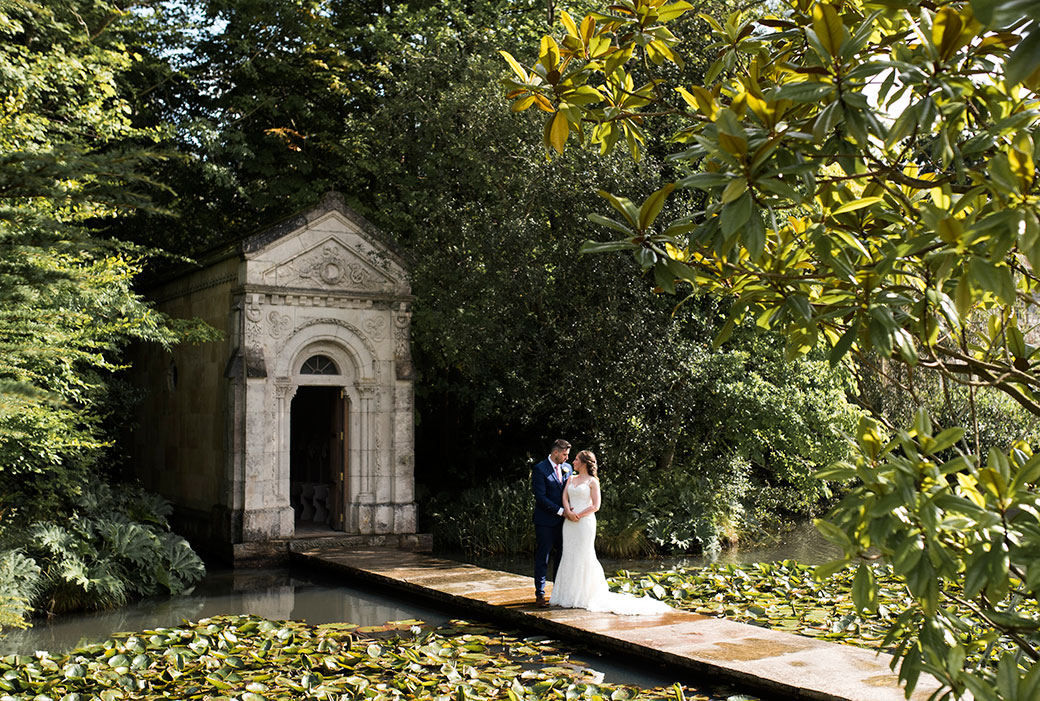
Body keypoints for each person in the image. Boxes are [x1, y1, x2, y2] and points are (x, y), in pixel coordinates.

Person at [549, 450, 672, 615]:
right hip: (569, 522)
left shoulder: (593, 481)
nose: (573, 461)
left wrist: (578, 514)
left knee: (583, 554)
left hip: (584, 522)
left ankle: (584, 595)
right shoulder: (571, 478)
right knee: (569, 554)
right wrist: (568, 512)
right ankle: (566, 595)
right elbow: (564, 496)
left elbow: (596, 506)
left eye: (577, 459)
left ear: (584, 463)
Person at [532, 438, 571, 606]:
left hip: (565, 523)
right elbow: (540, 497)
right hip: (545, 521)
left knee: (562, 557)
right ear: (555, 453)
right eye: (564, 454)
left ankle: (557, 591)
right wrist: (561, 511)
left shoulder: (567, 468)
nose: (567, 458)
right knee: (543, 556)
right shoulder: (540, 469)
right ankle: (540, 593)